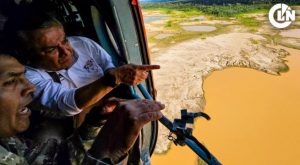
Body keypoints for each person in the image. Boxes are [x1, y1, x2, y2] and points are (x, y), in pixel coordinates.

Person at [0, 52, 165, 164]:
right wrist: (110, 152)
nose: (31, 88)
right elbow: (67, 101)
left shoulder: (9, 143)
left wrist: (93, 126)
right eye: (10, 82)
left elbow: (58, 159)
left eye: (64, 40)